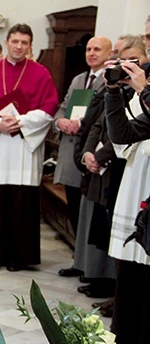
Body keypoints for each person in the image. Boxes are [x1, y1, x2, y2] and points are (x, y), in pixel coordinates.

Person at [0, 23, 58, 271]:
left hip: (22, 148)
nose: (19, 46)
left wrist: (21, 122)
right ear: (7, 42)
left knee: (20, 201)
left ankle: (19, 257)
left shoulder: (41, 73)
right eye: (15, 41)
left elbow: (49, 107)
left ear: (30, 45)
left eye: (24, 42)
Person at [104, 43, 150, 344]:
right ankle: (130, 336)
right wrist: (113, 94)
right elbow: (124, 135)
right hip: (140, 177)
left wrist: (144, 91)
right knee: (134, 264)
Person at [53, 36, 112, 277]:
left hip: (91, 150)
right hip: (71, 151)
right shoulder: (79, 78)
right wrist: (61, 121)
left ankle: (91, 266)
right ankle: (78, 261)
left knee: (90, 213)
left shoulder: (108, 79)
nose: (92, 53)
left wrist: (81, 123)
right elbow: (63, 106)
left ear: (109, 53)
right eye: (88, 49)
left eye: (97, 49)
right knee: (75, 208)